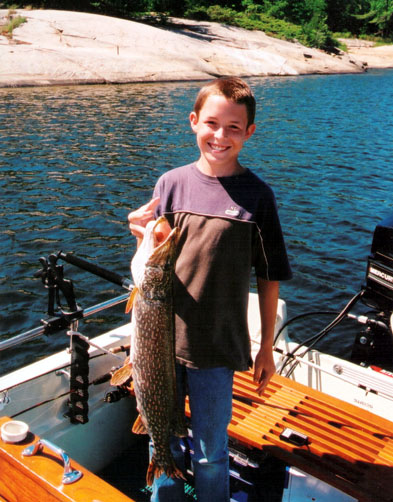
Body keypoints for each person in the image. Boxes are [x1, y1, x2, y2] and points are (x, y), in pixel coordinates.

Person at [127, 77, 292, 502]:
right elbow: (155, 250)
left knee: (210, 453)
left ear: (249, 133)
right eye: (212, 124)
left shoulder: (259, 197)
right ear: (194, 122)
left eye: (234, 127)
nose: (220, 136)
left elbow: (269, 274)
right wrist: (141, 231)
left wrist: (266, 348)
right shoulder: (171, 183)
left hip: (217, 349)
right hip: (159, 345)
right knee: (160, 438)